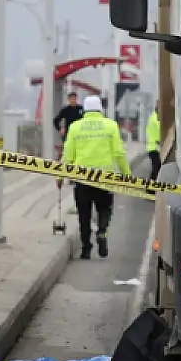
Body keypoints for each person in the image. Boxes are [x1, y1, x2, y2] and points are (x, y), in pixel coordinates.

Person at [58, 95, 131, 260]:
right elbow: (119, 153)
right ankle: (102, 231)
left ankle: (86, 249)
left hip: (82, 178)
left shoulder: (75, 127)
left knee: (84, 214)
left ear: (84, 110)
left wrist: (60, 176)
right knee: (105, 209)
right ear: (100, 110)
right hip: (104, 177)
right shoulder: (111, 126)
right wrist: (127, 175)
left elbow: (68, 155)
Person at [146, 104, 161, 181]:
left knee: (156, 168)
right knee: (156, 169)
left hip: (152, 147)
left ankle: (151, 187)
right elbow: (160, 133)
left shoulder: (153, 117)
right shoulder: (156, 120)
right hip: (155, 148)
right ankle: (150, 188)